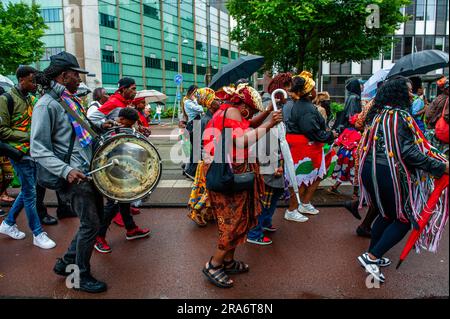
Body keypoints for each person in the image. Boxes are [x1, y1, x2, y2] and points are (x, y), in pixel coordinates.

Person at [31, 51, 114, 293]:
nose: (80, 79)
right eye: (76, 74)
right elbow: (37, 149)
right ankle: (80, 276)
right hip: (73, 176)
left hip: (88, 171)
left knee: (94, 222)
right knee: (90, 224)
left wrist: (100, 125)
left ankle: (66, 262)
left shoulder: (68, 99)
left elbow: (76, 130)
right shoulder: (46, 105)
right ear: (64, 75)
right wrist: (66, 170)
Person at [356, 76, 449, 283]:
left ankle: (373, 255)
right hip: (389, 172)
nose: (412, 93)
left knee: (386, 214)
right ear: (398, 92)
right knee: (405, 219)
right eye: (408, 90)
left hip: (372, 170)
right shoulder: (399, 117)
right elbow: (409, 153)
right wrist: (441, 166)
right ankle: (371, 257)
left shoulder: (379, 114)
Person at [201, 83, 282, 288]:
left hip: (233, 172)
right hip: (230, 174)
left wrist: (267, 112)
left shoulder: (230, 110)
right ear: (243, 106)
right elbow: (240, 142)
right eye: (251, 110)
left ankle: (227, 261)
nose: (251, 114)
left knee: (240, 218)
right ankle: (214, 264)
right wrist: (268, 125)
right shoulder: (233, 112)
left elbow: (248, 124)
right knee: (233, 220)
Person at [0, 66, 56, 249]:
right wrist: (30, 136)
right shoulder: (5, 99)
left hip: (33, 152)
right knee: (30, 192)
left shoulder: (33, 99)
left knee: (27, 191)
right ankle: (38, 233)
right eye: (32, 81)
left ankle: (8, 223)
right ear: (21, 79)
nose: (35, 84)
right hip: (19, 153)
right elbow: (2, 130)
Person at [93, 107, 150, 254]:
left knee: (125, 200)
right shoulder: (113, 130)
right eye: (129, 123)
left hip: (124, 170)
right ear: (122, 119)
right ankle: (99, 236)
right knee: (113, 205)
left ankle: (131, 228)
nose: (131, 126)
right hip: (113, 172)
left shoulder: (126, 128)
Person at [285, 71, 338, 218]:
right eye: (313, 88)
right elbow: (311, 131)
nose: (316, 91)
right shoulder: (305, 108)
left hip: (309, 147)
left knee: (314, 176)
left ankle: (304, 204)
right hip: (304, 148)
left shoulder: (304, 106)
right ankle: (292, 210)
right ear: (308, 92)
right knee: (301, 179)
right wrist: (330, 135)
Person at [187, 88, 221, 227]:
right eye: (216, 99)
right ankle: (196, 213)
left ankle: (208, 213)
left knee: (209, 189)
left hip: (211, 158)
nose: (219, 101)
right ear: (210, 103)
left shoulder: (210, 118)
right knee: (206, 190)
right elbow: (199, 144)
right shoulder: (206, 121)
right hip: (208, 159)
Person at [183, 85, 203, 179]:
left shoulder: (191, 102)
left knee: (196, 149)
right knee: (195, 150)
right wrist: (195, 100)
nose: (196, 95)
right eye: (195, 93)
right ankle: (190, 171)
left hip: (196, 125)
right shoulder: (187, 102)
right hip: (193, 126)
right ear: (190, 92)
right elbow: (200, 109)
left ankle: (188, 169)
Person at [425, 79, 449, 157]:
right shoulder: (447, 99)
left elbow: (428, 114)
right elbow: (447, 116)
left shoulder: (438, 98)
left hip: (433, 131)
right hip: (442, 133)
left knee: (435, 155)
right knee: (444, 157)